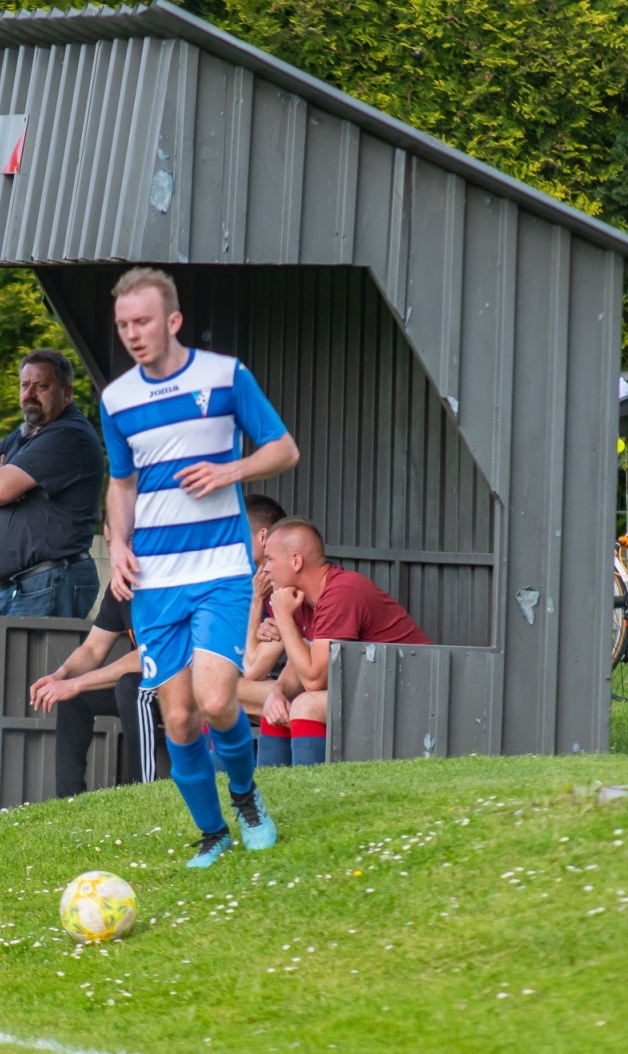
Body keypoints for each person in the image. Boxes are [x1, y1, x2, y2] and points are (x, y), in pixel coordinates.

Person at [100, 267, 300, 868]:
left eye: (142, 322)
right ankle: (213, 833)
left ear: (173, 320)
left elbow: (284, 449)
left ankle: (246, 799)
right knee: (181, 716)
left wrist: (231, 470)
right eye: (123, 325)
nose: (132, 334)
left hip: (220, 569)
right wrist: (118, 544)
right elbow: (121, 483)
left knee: (216, 700)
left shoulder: (224, 376)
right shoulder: (117, 400)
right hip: (155, 582)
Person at [0, 349, 103, 639]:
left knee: (36, 670)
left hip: (50, 582)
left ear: (67, 393)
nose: (29, 394)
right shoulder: (26, 434)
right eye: (25, 385)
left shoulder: (67, 435)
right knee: (12, 670)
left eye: (41, 386)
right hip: (27, 586)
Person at [261, 517, 429, 766]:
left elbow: (314, 680)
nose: (265, 569)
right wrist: (278, 692)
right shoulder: (300, 598)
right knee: (275, 708)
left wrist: (283, 617)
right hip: (370, 690)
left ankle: (312, 788)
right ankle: (269, 790)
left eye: (270, 559)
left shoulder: (340, 592)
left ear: (296, 561)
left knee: (306, 705)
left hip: (411, 696)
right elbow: (299, 661)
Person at [28, 588, 162, 796]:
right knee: (74, 697)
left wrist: (77, 683)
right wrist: (61, 676)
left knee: (130, 687)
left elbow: (152, 656)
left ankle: (143, 795)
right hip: (153, 687)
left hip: (188, 688)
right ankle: (69, 802)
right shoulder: (121, 586)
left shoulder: (165, 584)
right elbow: (92, 649)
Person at [237, 494, 289, 759]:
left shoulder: (285, 579)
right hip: (287, 681)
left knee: (215, 689)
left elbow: (252, 668)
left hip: (328, 688)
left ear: (263, 536)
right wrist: (255, 628)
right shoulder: (261, 578)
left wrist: (257, 601)